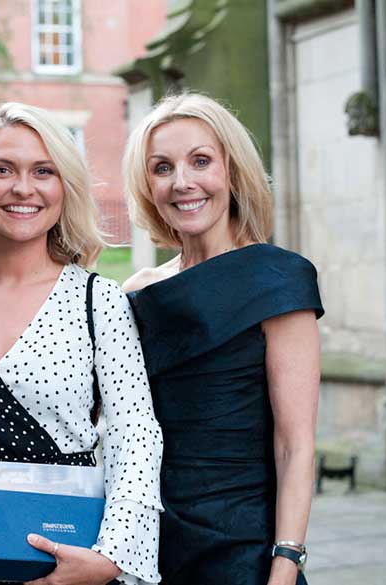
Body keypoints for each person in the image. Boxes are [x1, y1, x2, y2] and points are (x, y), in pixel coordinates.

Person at [0, 102, 163, 585]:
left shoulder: (98, 301)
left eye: (43, 171)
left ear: (64, 188)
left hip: (64, 555)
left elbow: (136, 436)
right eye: (2, 169)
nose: (23, 188)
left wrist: (111, 557)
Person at [121, 92, 323, 585]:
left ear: (231, 171)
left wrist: (285, 562)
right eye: (162, 167)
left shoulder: (279, 280)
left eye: (201, 161)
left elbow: (295, 446)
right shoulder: (136, 294)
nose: (182, 182)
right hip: (154, 544)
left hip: (247, 551)